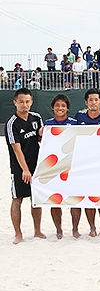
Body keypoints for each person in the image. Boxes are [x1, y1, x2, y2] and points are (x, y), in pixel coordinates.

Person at [6, 88, 46, 244]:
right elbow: (16, 148)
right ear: (15, 102)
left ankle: (37, 230)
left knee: (35, 200)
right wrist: (25, 170)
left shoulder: (36, 118)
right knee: (17, 199)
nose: (24, 104)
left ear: (31, 102)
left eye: (27, 101)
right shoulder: (12, 123)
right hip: (19, 168)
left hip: (37, 166)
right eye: (21, 101)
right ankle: (18, 234)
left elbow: (42, 140)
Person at [74, 88, 100, 236]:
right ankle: (92, 227)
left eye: (96, 100)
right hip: (84, 163)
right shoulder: (79, 116)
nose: (93, 102)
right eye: (90, 100)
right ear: (86, 102)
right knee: (88, 195)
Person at [43, 94, 81, 238]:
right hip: (54, 168)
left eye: (63, 106)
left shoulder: (74, 123)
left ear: (67, 108)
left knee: (74, 200)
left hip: (72, 166)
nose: (60, 108)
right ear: (52, 108)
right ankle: (58, 229)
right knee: (55, 200)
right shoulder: (47, 124)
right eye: (57, 105)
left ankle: (75, 229)